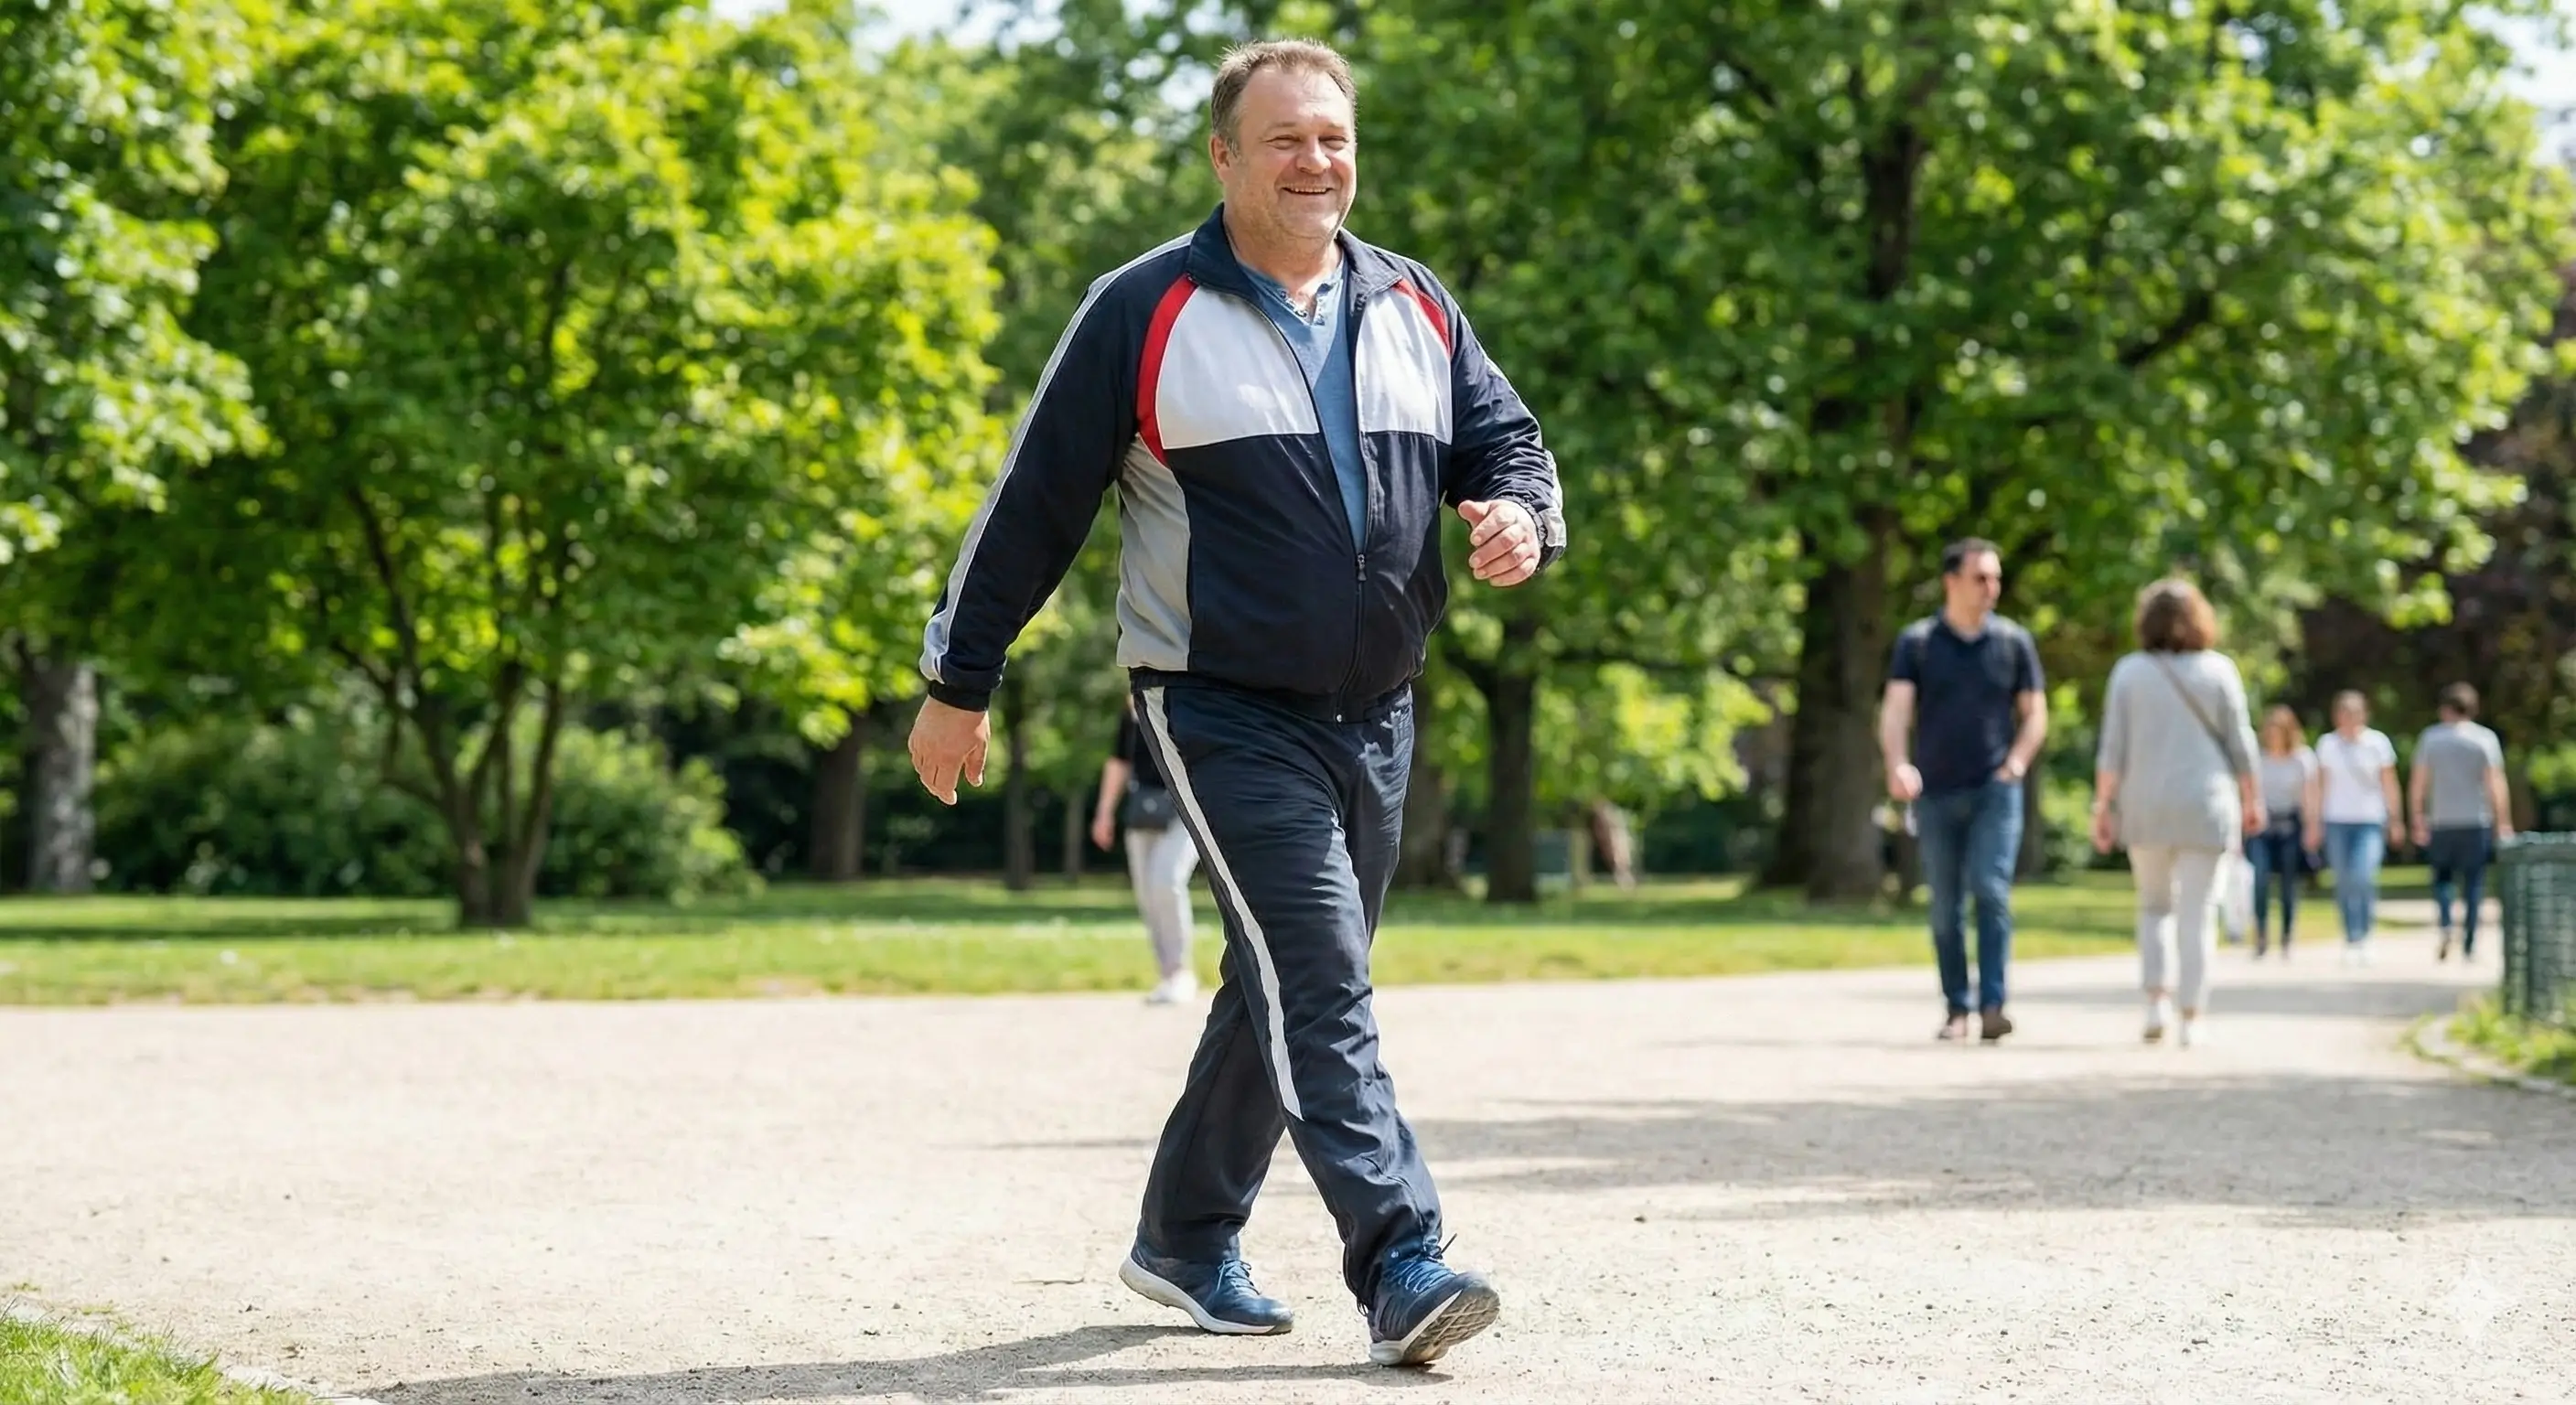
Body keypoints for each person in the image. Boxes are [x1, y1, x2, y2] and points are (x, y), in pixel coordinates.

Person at [905, 38, 1565, 1368]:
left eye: (1333, 136)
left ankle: (1186, 1234)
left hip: (1377, 704)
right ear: (1223, 157)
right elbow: (1030, 509)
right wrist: (956, 685)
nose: (1316, 160)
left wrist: (1521, 520)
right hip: (1214, 705)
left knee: (1287, 975)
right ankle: (1403, 1261)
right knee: (1317, 972)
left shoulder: (1412, 301)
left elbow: (1507, 440)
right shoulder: (1140, 309)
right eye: (1284, 139)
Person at [1881, 537, 2048, 1044]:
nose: (1991, 588)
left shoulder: (2014, 642)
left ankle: (1993, 1003)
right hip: (1935, 790)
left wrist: (2016, 763)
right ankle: (1957, 1007)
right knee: (1945, 905)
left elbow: (2036, 712)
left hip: (1995, 789)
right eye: (1981, 578)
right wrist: (1898, 763)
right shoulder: (1918, 643)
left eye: (1996, 578)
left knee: (1991, 890)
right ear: (1951, 581)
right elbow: (1894, 710)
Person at [2090, 580, 2262, 1047]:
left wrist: (2102, 806)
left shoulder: (2129, 673)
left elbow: (2112, 750)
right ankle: (2191, 1014)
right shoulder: (2219, 671)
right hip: (2205, 805)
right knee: (2198, 912)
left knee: (2153, 906)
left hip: (2145, 805)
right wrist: (2253, 799)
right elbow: (2241, 745)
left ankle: (2154, 1002)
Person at [1092, 694, 1201, 1004]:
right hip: (1143, 808)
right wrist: (1104, 812)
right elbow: (1119, 761)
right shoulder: (1132, 706)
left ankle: (1181, 972)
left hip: (1185, 808)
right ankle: (1167, 974)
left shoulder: (1187, 699)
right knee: (1147, 893)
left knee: (1165, 881)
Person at [2410, 682, 2515, 961]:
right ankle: (2469, 942)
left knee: (2442, 879)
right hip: (2475, 820)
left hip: (2442, 820)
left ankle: (2445, 924)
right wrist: (2502, 820)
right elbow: (2495, 783)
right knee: (2473, 883)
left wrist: (2417, 816)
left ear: (2445, 708)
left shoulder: (2430, 739)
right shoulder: (2484, 739)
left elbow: (2419, 782)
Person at [2314, 690, 2403, 964]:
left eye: (2354, 713)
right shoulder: (2327, 744)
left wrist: (2396, 819)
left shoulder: (2377, 743)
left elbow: (2389, 783)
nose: (2349, 719)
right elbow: (2320, 786)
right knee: (2343, 880)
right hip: (2336, 820)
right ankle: (2351, 937)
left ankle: (2365, 933)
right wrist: (2314, 822)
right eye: (2344, 713)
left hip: (2369, 820)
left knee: (2364, 877)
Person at [2249, 706, 2324, 960]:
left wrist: (2312, 828)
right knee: (2259, 879)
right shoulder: (2258, 758)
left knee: (2289, 883)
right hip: (2263, 825)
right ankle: (2260, 933)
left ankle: (2287, 934)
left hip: (2291, 824)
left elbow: (2310, 796)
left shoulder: (2302, 758)